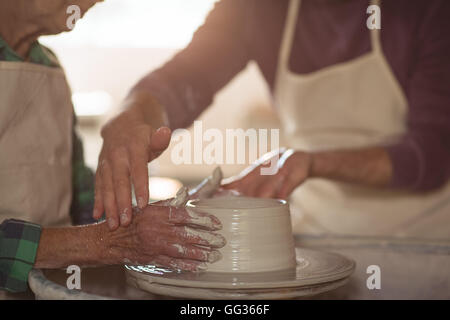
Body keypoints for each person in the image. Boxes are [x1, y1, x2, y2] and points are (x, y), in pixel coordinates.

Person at [97, 0, 450, 298]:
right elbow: (184, 78)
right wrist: (133, 114)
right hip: (315, 239)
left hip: (420, 247)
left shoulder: (428, 9)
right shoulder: (258, 7)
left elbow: (432, 154)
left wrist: (310, 162)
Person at [0, 0, 224, 296]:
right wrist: (108, 242)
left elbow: (83, 204)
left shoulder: (49, 68)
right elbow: (98, 238)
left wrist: (149, 220)